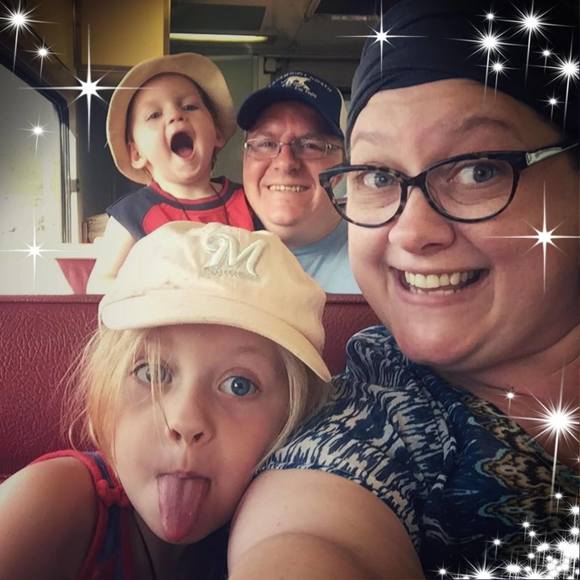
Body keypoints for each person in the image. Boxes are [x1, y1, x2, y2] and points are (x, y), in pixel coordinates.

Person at [225, 0, 579, 578]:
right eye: (377, 176)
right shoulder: (368, 434)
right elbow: (308, 534)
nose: (412, 232)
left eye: (478, 169)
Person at [0, 221, 330, 579]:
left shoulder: (290, 528)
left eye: (239, 385)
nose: (185, 421)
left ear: (296, 417)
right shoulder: (50, 502)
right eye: (152, 373)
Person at [87, 53, 256, 293]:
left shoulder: (249, 201)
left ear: (217, 133)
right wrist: (154, 289)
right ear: (136, 153)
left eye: (189, 106)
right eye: (154, 115)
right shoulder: (133, 213)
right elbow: (98, 285)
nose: (176, 116)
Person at [237, 71, 360, 294]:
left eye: (311, 145)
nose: (285, 163)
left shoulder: (378, 263)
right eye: (266, 143)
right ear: (245, 158)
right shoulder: (211, 251)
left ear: (343, 165)